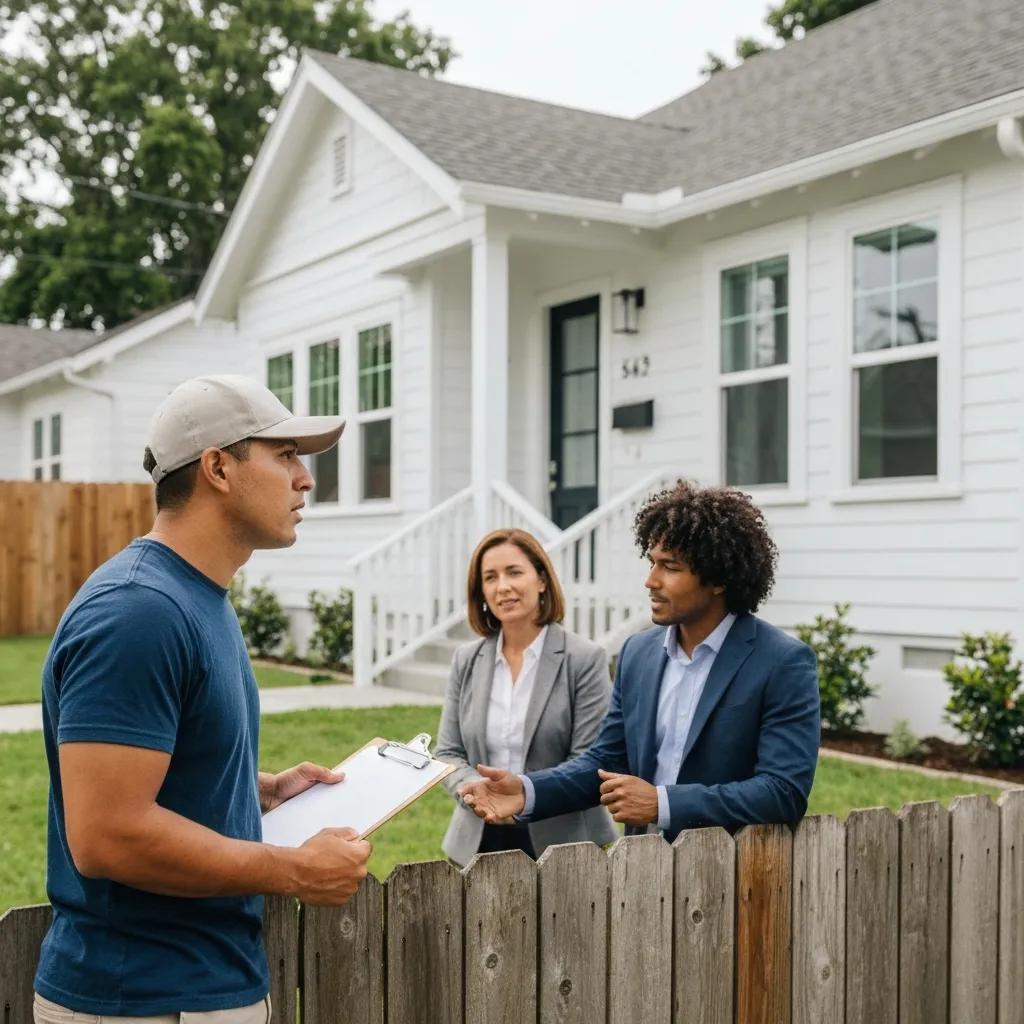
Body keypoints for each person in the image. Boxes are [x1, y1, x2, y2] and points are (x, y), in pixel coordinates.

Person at [34, 375, 372, 1024]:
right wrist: (293, 870)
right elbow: (107, 835)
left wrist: (254, 790)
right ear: (218, 467)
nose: (304, 479)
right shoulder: (138, 611)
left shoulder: (195, 596)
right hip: (141, 1002)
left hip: (202, 988)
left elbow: (157, 777)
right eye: (284, 455)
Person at [458, 480, 821, 843]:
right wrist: (527, 791)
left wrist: (662, 803)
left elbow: (783, 791)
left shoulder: (781, 663)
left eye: (670, 567)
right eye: (652, 563)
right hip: (643, 864)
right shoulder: (638, 654)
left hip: (730, 865)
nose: (651, 581)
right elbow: (607, 761)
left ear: (718, 579)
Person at [434, 528, 616, 865]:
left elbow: (591, 760)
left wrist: (521, 795)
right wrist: (477, 792)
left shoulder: (584, 658)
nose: (502, 586)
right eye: (490, 577)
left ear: (542, 580)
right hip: (478, 836)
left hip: (565, 844)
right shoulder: (466, 659)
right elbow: (447, 752)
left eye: (514, 572)